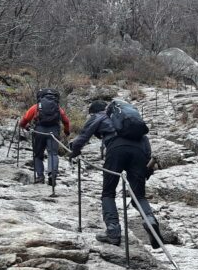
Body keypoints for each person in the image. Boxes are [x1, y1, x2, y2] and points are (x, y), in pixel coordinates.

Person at [69, 98, 161, 248]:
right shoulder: (128, 120)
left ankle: (113, 232)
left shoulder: (99, 116)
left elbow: (84, 136)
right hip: (139, 151)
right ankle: (150, 221)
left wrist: (74, 152)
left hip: (116, 150)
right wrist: (146, 169)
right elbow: (145, 140)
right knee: (139, 196)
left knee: (108, 193)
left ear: (93, 111)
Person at [18, 88, 70, 185]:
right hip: (53, 132)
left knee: (38, 155)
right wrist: (66, 132)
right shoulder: (58, 108)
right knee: (52, 154)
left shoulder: (37, 106)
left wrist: (25, 126)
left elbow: (24, 120)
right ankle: (52, 175)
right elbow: (66, 121)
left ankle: (40, 177)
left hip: (39, 132)